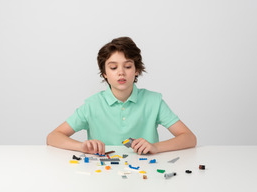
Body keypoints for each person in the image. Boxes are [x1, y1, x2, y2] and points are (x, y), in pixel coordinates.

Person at [47, 37, 196, 155]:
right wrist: (82, 146)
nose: (121, 72)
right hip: (101, 175)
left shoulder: (154, 101)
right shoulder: (92, 105)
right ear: (104, 73)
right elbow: (53, 137)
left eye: (128, 66)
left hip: (146, 174)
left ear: (136, 70)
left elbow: (189, 138)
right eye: (113, 67)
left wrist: (155, 147)